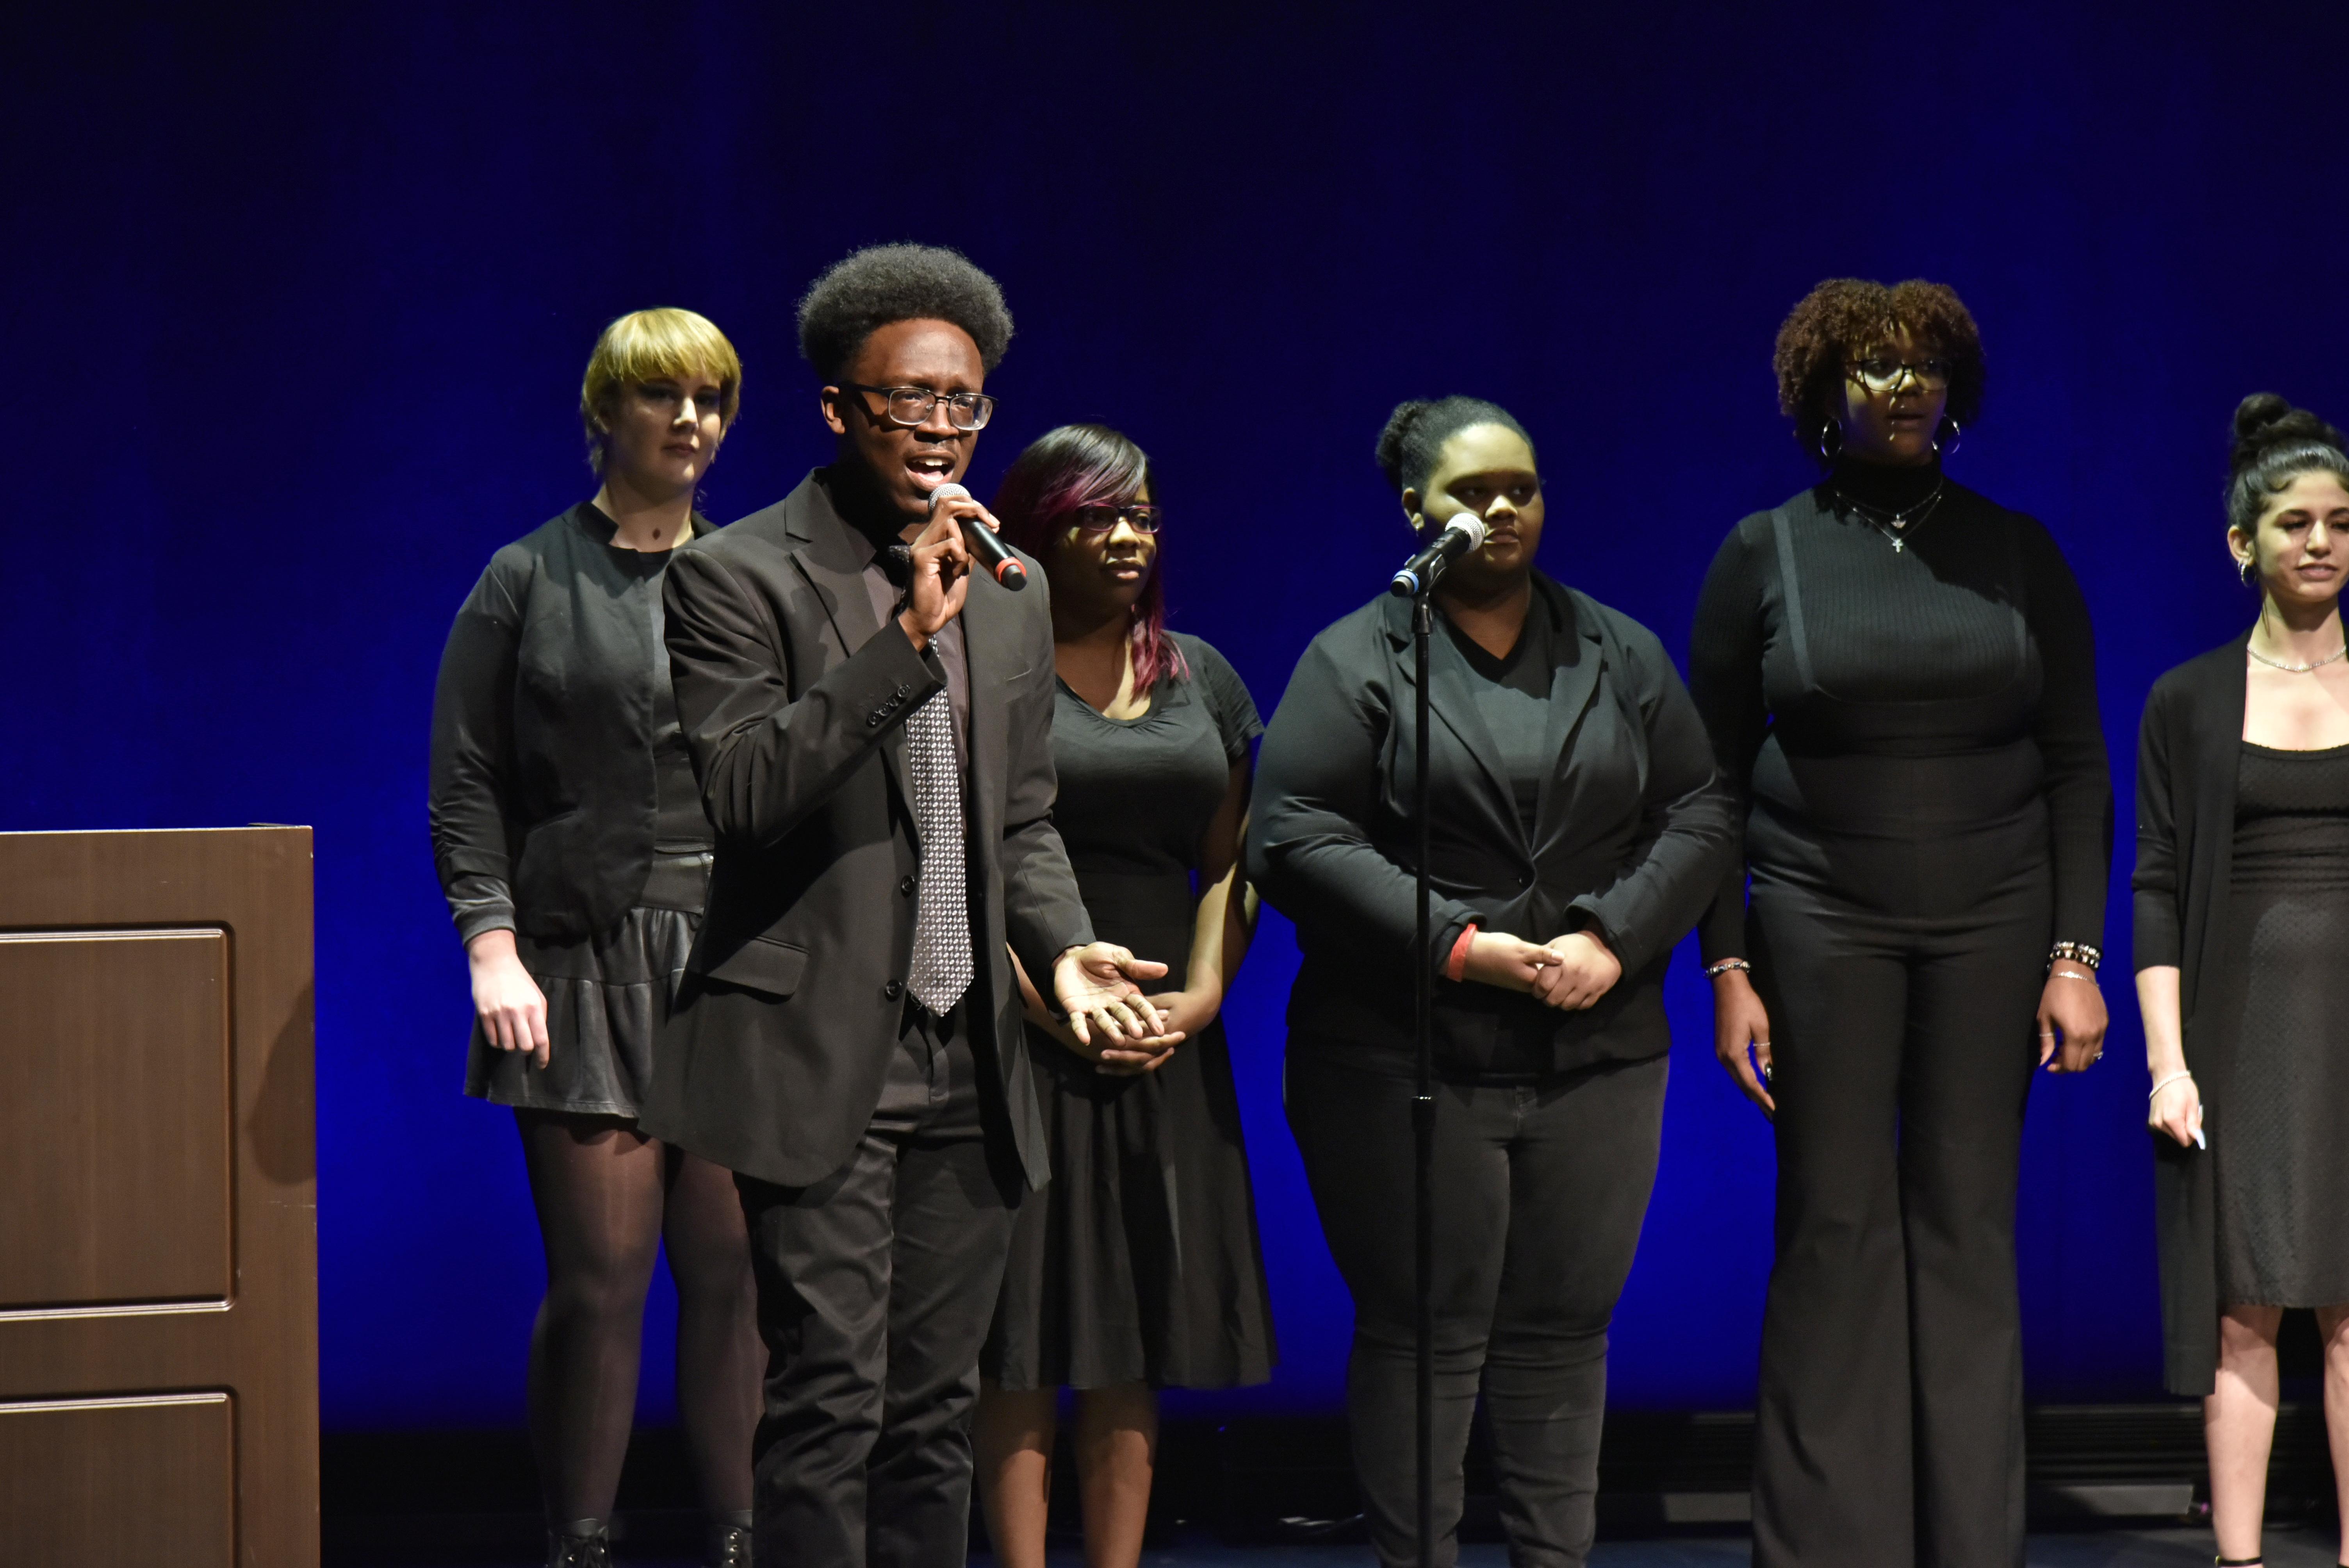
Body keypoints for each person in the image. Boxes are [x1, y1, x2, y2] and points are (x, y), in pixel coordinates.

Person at [634, 245, 1179, 1568]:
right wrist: (905, 641)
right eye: (907, 403)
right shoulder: (739, 578)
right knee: (830, 1401)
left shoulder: (1014, 588)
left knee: (935, 1415)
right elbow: (751, 790)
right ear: (837, 409)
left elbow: (1021, 818)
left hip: (969, 1058)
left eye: (964, 405)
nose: (939, 428)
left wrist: (1065, 956)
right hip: (821, 1051)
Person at [1250, 397, 1734, 1568]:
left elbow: (1703, 809)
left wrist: (1614, 937)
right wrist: (1460, 945)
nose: (1502, 508)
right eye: (1472, 492)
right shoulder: (1361, 657)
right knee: (1426, 1332)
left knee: (1565, 1334)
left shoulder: (1616, 649)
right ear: (1416, 509)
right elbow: (1295, 836)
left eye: (1520, 486)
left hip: (1596, 1055)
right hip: (1402, 1056)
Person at [1689, 278, 2112, 1568]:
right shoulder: (1766, 548)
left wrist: (2075, 955)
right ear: (1828, 391)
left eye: (1925, 366)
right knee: (1832, 1219)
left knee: (1969, 1221)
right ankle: (1830, 1544)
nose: (1905, 387)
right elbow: (1707, 775)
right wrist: (1726, 961)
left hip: (1996, 915)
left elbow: (2078, 764)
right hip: (1820, 912)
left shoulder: (2019, 550)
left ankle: (1969, 1543)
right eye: (1875, 368)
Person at [427, 308, 759, 1568]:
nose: (690, 422)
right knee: (604, 1281)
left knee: (733, 1283)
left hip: (732, 962)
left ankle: (741, 1539)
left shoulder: (752, 575)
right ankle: (580, 1542)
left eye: (712, 400)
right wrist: (490, 944)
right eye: (663, 397)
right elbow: (467, 780)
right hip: (579, 956)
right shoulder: (527, 579)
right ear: (603, 416)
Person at [971, 426, 1277, 1568]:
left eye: (1142, 515)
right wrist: (1043, 1001)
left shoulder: (1202, 676)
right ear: (1039, 530)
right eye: (1097, 516)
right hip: (1020, 1033)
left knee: (1132, 1334)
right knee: (1022, 1334)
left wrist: (1201, 1000)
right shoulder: (983, 664)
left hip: (1163, 1036)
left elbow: (1235, 861)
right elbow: (966, 862)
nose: (1126, 538)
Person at [2133, 394, 2349, 1568]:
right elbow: (2157, 886)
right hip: (2245, 1034)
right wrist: (2169, 1062)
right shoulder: (2190, 701)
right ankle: (2242, 1560)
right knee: (2245, 1309)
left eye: (2340, 522)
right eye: (2293, 524)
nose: (2319, 542)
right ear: (2243, 546)